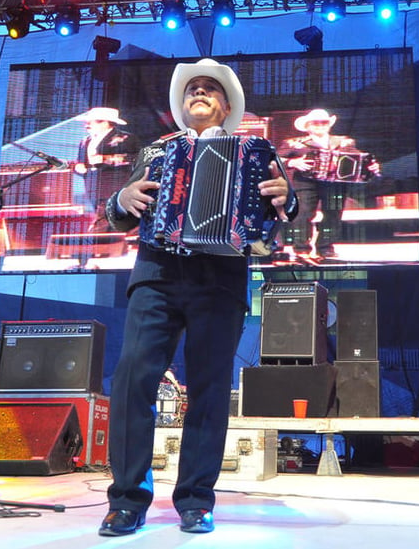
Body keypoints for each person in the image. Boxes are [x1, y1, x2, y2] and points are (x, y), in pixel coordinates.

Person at [99, 58, 297, 536]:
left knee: (209, 390)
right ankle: (126, 500)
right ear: (183, 106)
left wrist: (284, 198)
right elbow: (122, 211)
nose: (199, 94)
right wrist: (121, 201)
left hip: (221, 276)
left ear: (226, 106)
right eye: (192, 90)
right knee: (132, 381)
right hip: (158, 273)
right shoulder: (157, 151)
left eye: (209, 89)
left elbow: (281, 209)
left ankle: (195, 499)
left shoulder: (255, 149)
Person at [277, 108, 379, 261]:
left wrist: (371, 166)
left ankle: (326, 248)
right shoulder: (294, 143)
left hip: (334, 184)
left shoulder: (344, 141)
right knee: (302, 214)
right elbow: (274, 159)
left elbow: (360, 159)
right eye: (315, 123)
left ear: (329, 124)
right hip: (304, 182)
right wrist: (293, 162)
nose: (320, 125)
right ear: (308, 126)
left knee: (333, 215)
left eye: (323, 122)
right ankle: (301, 249)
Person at [73, 106, 140, 216]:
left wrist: (106, 159)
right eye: (86, 122)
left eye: (91, 122)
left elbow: (136, 158)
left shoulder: (126, 138)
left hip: (116, 187)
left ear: (105, 123)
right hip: (93, 189)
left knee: (112, 219)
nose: (86, 125)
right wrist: (79, 168)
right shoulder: (84, 141)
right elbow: (82, 165)